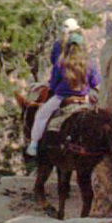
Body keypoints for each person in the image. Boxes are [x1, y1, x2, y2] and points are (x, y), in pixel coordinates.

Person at [26, 27, 99, 158]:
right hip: (84, 99)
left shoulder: (61, 63)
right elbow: (95, 82)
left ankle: (34, 144)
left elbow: (53, 85)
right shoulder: (90, 64)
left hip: (62, 99)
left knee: (41, 115)